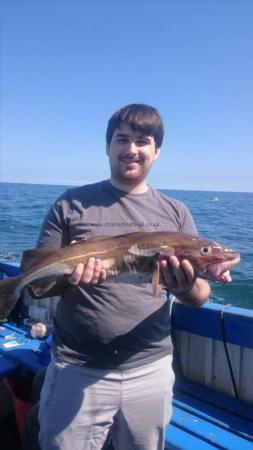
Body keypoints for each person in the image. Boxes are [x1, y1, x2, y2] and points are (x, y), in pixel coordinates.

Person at [35, 104, 238, 450]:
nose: (131, 149)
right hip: (77, 366)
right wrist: (70, 278)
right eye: (122, 139)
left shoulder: (176, 213)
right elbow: (40, 285)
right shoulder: (69, 205)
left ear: (156, 151)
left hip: (151, 369)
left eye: (142, 141)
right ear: (108, 147)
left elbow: (200, 296)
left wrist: (187, 284)